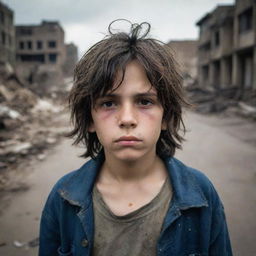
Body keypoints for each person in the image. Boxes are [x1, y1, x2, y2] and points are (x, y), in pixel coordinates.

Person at [39, 20, 233, 256]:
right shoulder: (63, 198)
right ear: (90, 119)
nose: (127, 119)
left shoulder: (201, 194)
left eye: (145, 102)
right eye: (109, 103)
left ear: (166, 116)